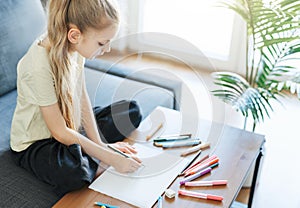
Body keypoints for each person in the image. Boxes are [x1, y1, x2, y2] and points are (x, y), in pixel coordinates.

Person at [10, 0, 142, 196]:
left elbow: (82, 96)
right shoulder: (38, 67)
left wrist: (101, 145)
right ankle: (86, 158)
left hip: (69, 124)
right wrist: (110, 157)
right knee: (75, 173)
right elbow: (59, 132)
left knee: (131, 111)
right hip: (40, 142)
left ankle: (86, 153)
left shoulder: (74, 46)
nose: (106, 50)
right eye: (102, 43)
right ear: (75, 35)